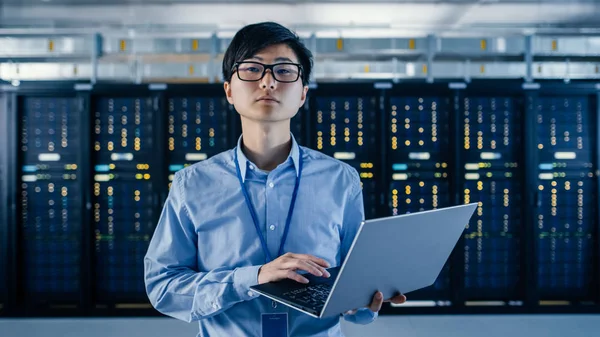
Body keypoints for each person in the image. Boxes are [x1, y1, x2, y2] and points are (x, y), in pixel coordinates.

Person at [144, 21, 406, 337]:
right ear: (229, 90)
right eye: (253, 70)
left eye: (284, 72)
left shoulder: (341, 180)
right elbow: (163, 286)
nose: (268, 82)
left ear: (302, 94)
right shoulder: (193, 184)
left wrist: (361, 303)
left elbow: (354, 283)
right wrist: (252, 277)